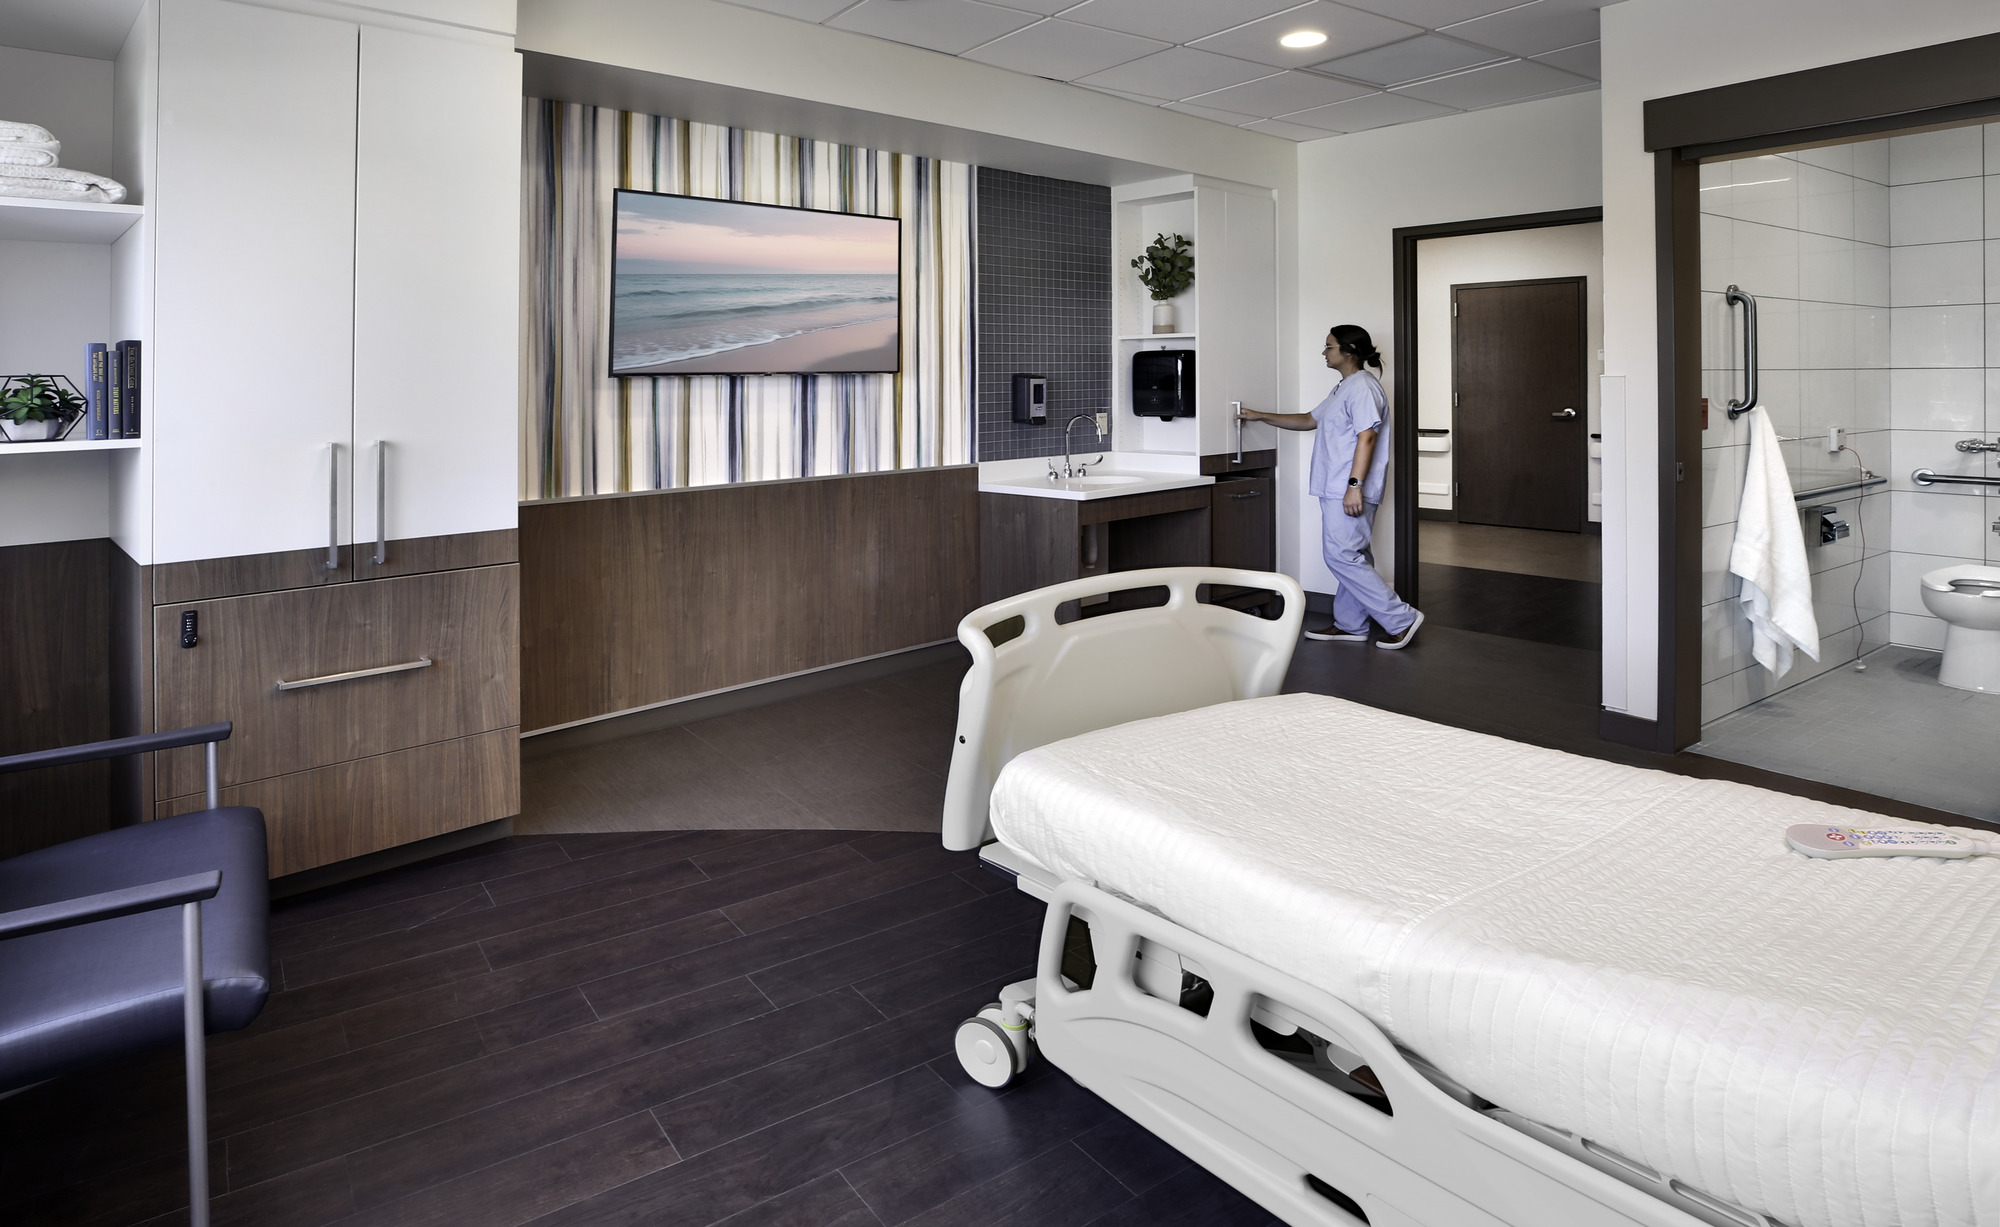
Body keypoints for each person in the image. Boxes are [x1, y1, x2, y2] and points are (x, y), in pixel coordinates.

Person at [1237, 324, 1423, 649]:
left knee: (1341, 556)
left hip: (1347, 488)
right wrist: (1260, 416)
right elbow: (1310, 419)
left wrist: (1355, 485)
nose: (1324, 352)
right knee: (1354, 556)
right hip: (1336, 486)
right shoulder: (1344, 388)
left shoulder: (1363, 387)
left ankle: (1402, 618)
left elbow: (1367, 436)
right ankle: (1351, 624)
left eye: (1329, 346)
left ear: (1348, 350)